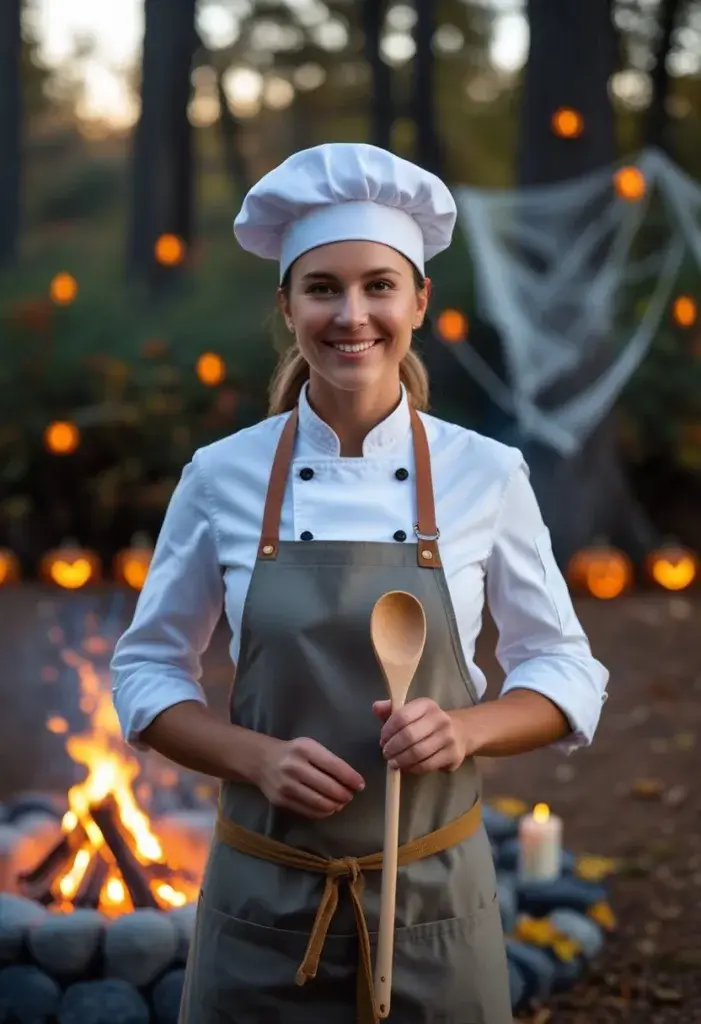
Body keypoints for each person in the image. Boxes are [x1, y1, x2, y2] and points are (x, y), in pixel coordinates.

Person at [110, 142, 609, 1024]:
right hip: (263, 902)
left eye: (379, 285)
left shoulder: (485, 474)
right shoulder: (220, 475)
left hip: (433, 902)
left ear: (419, 299)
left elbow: (563, 669)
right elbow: (148, 669)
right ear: (287, 306)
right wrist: (253, 757)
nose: (352, 315)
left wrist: (464, 729)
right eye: (323, 288)